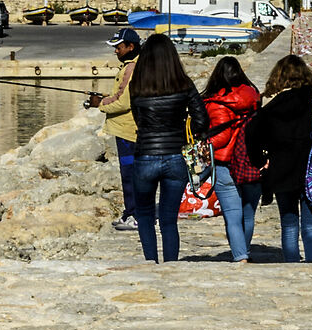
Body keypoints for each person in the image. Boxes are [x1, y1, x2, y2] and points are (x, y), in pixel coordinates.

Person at [244, 53, 312, 264]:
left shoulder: (271, 107)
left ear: (278, 77)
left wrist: (259, 161)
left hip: (282, 171)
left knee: (289, 222)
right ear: (306, 75)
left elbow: (251, 135)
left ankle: (292, 266)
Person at [127, 33, 208, 264]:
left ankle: (151, 262)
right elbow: (202, 119)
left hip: (145, 155)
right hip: (175, 156)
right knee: (169, 219)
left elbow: (138, 120)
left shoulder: (137, 85)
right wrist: (185, 129)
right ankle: (171, 264)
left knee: (144, 215)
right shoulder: (184, 83)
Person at [203, 55, 262, 263]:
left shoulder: (217, 102)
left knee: (232, 214)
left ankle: (240, 256)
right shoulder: (253, 96)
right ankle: (244, 249)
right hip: (251, 161)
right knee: (248, 213)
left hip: (225, 163)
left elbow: (223, 136)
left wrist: (204, 146)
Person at [87, 28, 142, 230]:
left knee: (130, 174)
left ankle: (135, 215)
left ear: (130, 46)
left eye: (118, 47)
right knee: (130, 174)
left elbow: (123, 101)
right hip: (127, 129)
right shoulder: (132, 66)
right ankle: (130, 212)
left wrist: (99, 104)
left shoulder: (131, 68)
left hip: (128, 131)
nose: (115, 51)